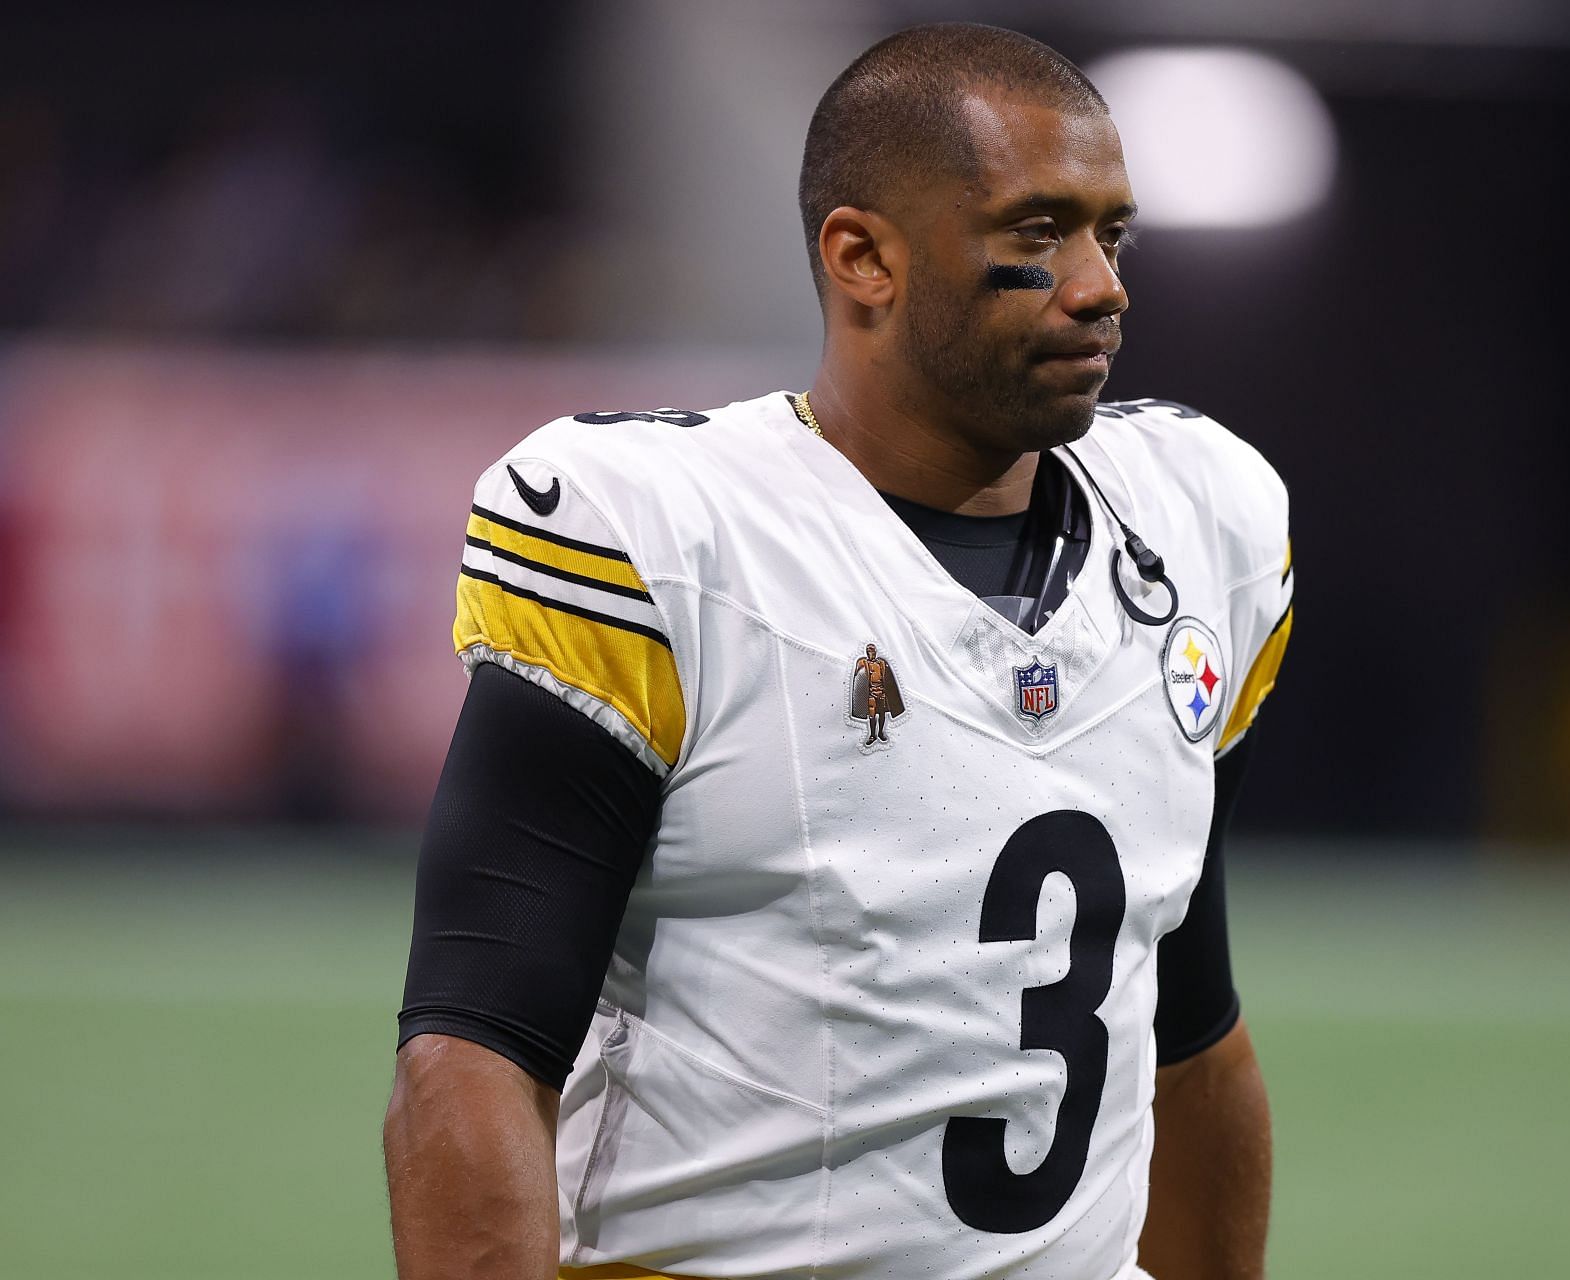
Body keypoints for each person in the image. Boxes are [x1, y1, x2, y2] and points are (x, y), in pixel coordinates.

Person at [384, 22, 1294, 1280]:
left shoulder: (1201, 521)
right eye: (1037, 234)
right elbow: (472, 1055)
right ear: (863, 256)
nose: (1100, 284)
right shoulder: (659, 534)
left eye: (1111, 234)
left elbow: (1190, 1028)